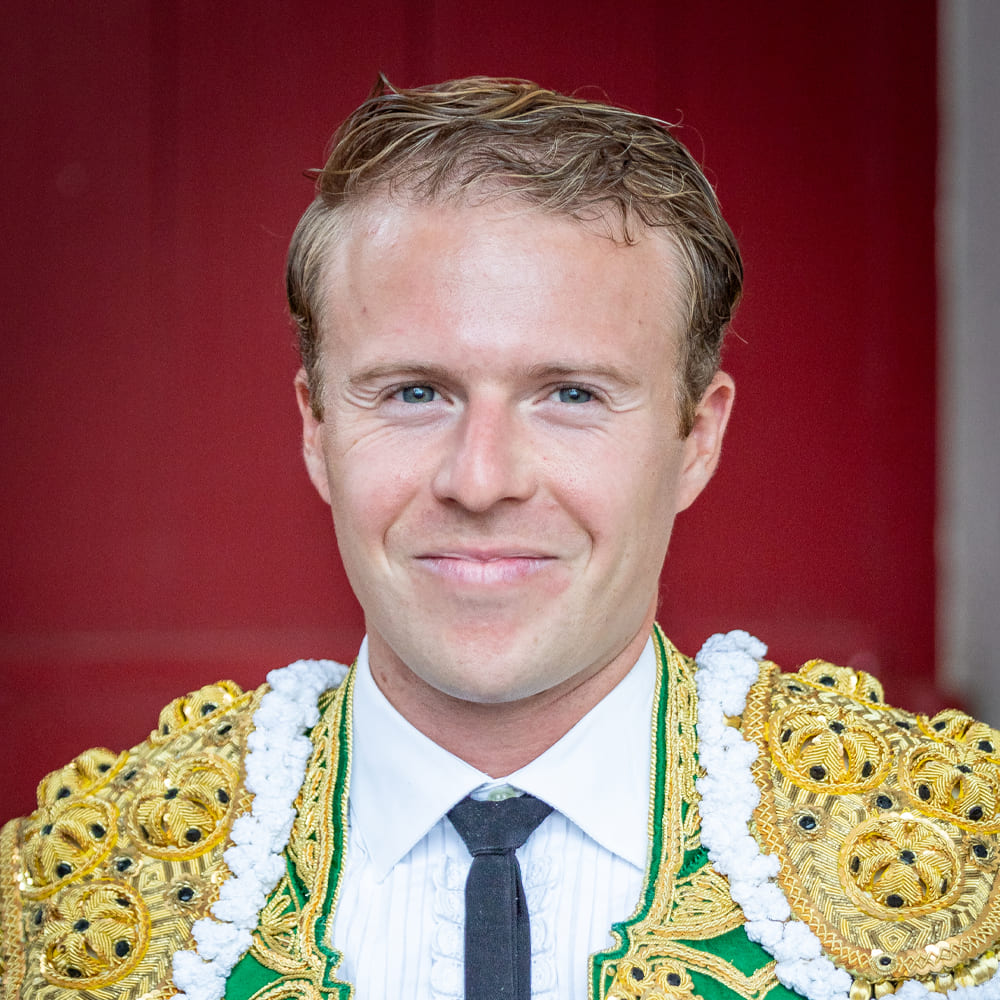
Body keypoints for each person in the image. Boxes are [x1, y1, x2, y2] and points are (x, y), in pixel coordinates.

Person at [2, 76, 999, 1000]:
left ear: (696, 438)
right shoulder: (61, 905)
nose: (480, 481)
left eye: (571, 394)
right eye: (414, 393)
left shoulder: (968, 873)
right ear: (316, 431)